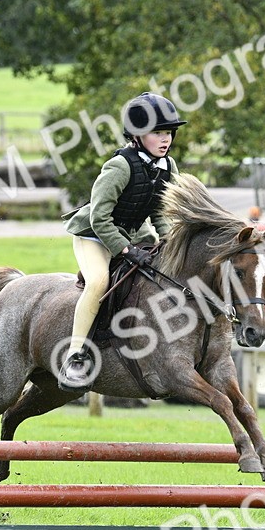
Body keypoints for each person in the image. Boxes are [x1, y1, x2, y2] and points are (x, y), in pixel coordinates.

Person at [58, 92, 187, 389]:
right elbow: (99, 219)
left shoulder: (168, 167)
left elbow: (160, 211)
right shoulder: (119, 167)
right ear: (138, 136)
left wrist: (169, 240)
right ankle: (75, 356)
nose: (165, 139)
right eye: (157, 133)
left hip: (133, 233)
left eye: (168, 132)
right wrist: (127, 250)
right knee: (99, 283)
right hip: (94, 236)